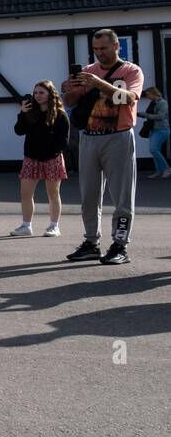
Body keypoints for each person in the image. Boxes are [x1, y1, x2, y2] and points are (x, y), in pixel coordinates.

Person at [62, 28, 143, 264]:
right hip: (88, 136)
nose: (99, 54)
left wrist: (98, 83)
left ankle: (119, 245)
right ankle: (91, 242)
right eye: (96, 50)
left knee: (122, 196)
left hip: (118, 136)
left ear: (116, 46)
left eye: (103, 49)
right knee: (89, 195)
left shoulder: (131, 71)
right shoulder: (88, 71)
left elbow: (126, 98)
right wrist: (71, 89)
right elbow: (69, 102)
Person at [11, 80, 70, 236]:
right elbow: (19, 131)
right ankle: (26, 225)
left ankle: (54, 226)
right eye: (35, 92)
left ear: (50, 94)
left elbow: (63, 141)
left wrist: (51, 154)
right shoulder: (30, 112)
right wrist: (23, 113)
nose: (37, 96)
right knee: (25, 193)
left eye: (41, 92)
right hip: (31, 157)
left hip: (52, 158)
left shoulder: (60, 114)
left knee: (53, 194)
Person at [142, 87, 169, 178]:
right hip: (153, 129)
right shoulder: (153, 103)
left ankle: (166, 169)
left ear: (154, 93)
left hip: (162, 129)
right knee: (155, 150)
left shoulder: (163, 103)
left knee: (153, 149)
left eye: (148, 94)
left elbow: (161, 116)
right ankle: (159, 171)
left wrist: (146, 115)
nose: (148, 96)